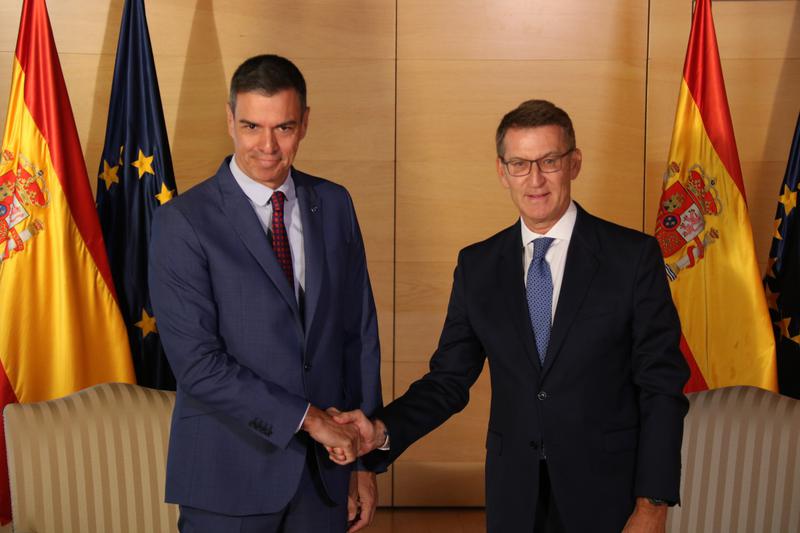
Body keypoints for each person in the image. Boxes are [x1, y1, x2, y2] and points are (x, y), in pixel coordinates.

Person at [333, 100, 690, 532]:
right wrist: (381, 430)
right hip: (514, 498)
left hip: (608, 497)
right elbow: (447, 381)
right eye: (520, 164)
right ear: (502, 172)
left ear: (574, 164)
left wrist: (653, 504)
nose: (535, 179)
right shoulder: (478, 266)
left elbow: (662, 386)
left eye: (550, 161)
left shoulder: (631, 258)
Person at [149, 54, 382, 533]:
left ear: (305, 124)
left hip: (326, 476)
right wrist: (310, 419)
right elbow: (197, 364)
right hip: (226, 477)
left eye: (284, 128)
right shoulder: (184, 222)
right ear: (230, 120)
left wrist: (363, 462)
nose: (268, 146)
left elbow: (357, 335)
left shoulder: (335, 204)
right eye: (252, 126)